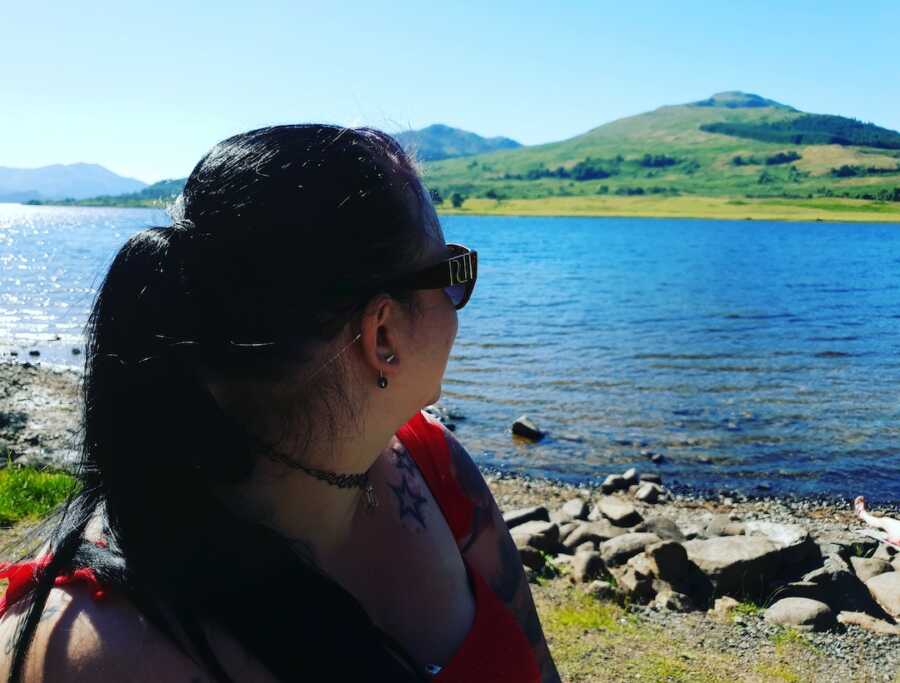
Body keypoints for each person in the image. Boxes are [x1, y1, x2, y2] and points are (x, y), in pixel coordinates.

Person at [0, 125, 560, 682]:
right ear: (382, 335)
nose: (458, 305)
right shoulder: (97, 657)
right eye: (452, 273)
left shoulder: (436, 463)